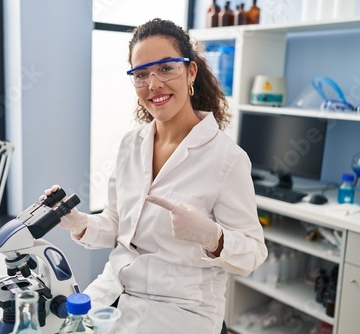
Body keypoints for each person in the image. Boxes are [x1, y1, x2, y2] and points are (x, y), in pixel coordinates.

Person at [41, 18, 267, 334]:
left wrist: (211, 236)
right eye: (142, 74)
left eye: (166, 68)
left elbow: (253, 255)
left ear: (190, 72)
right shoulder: (131, 145)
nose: (154, 84)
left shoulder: (227, 159)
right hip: (111, 293)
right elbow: (118, 226)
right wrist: (80, 223)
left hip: (180, 313)